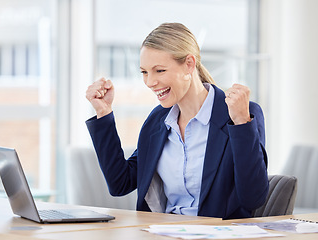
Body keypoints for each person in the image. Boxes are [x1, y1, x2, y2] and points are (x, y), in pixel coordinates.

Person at [85, 22, 268, 219]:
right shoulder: (158, 121)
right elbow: (120, 183)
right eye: (145, 72)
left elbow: (253, 199)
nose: (150, 82)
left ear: (189, 64)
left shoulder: (241, 113)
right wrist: (104, 113)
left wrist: (241, 123)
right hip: (162, 232)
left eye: (160, 70)